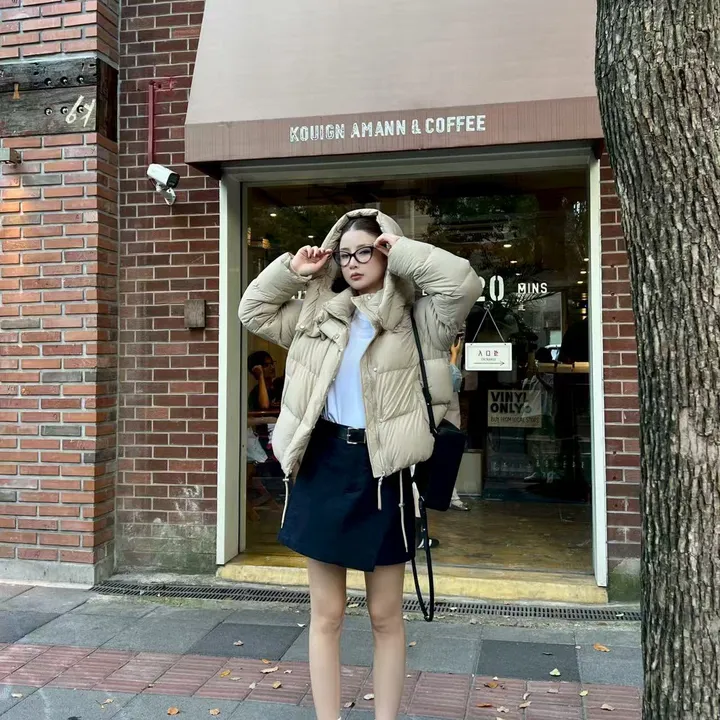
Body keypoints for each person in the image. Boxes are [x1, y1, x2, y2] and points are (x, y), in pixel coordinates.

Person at [238, 208, 482, 720]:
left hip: (385, 471)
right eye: (345, 253)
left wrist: (404, 251)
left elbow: (463, 283)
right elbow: (253, 311)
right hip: (323, 463)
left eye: (365, 251)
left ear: (386, 251)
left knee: (385, 615)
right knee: (326, 615)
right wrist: (293, 270)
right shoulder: (317, 314)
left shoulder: (422, 321)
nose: (352, 262)